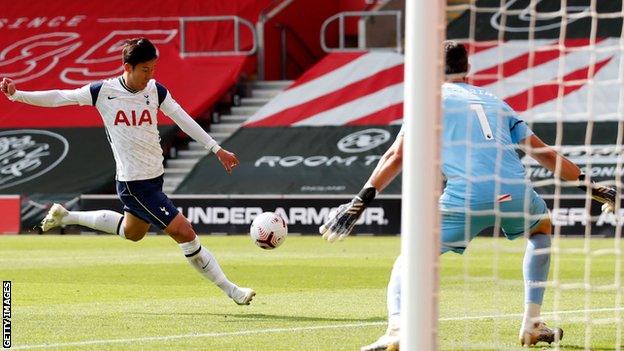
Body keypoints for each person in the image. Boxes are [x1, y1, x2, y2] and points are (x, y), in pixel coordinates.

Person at [319, 40, 616, 350]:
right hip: (514, 189)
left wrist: (359, 203)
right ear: (468, 68)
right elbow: (544, 154)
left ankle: (397, 328)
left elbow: (396, 156)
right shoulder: (495, 101)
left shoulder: (428, 99)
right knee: (540, 229)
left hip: (466, 196)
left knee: (410, 258)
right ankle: (532, 321)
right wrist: (595, 189)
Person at [0, 38, 255, 306]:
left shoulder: (155, 90)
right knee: (184, 231)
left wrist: (216, 149)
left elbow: (182, 118)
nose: (150, 75)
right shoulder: (103, 92)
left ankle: (67, 216)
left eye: (153, 68)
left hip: (154, 179)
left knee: (133, 232)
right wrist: (18, 95)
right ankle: (231, 290)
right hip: (135, 183)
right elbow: (61, 97)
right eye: (145, 69)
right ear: (127, 67)